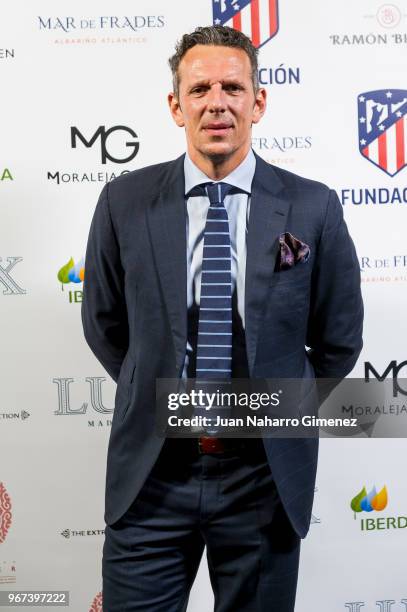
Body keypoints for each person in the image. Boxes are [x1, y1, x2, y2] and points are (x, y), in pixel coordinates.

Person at [81, 25, 363, 612]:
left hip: (263, 475)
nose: (217, 102)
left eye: (233, 88)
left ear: (258, 101)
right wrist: (152, 389)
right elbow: (106, 325)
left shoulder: (312, 206)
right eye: (200, 87)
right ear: (175, 104)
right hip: (152, 475)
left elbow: (338, 340)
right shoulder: (124, 201)